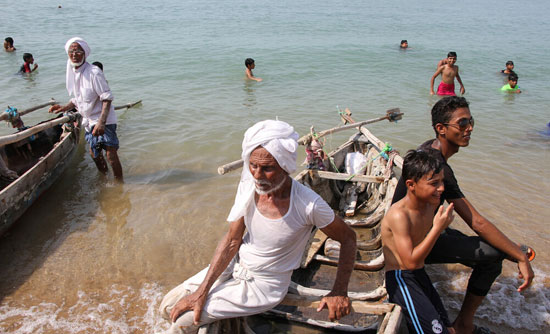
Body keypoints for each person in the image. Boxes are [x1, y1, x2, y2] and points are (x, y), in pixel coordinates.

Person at [158, 120, 357, 334]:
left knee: (180, 325)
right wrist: (202, 290)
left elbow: (348, 238)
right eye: (253, 165)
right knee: (167, 307)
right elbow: (232, 240)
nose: (257, 175)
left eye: (268, 168)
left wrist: (339, 291)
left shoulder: (309, 205)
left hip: (264, 285)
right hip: (236, 265)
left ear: (285, 167)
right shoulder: (248, 187)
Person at [391, 96, 535, 334]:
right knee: (493, 254)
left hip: (425, 230)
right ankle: (464, 324)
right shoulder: (438, 167)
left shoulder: (429, 149)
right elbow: (476, 221)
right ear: (441, 129)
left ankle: (510, 248)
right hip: (412, 242)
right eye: (462, 123)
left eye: (471, 121)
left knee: (497, 245)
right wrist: (518, 256)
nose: (470, 128)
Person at [383, 150, 456, 334]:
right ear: (411, 185)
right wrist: (437, 228)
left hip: (419, 274)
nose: (441, 188)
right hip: (401, 279)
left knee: (447, 328)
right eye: (434, 183)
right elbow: (410, 262)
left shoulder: (430, 205)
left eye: (441, 182)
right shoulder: (400, 215)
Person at [48, 37, 123, 181]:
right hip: (88, 121)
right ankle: (105, 179)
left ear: (85, 53)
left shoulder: (94, 72)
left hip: (103, 118)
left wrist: (101, 122)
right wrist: (64, 107)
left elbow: (106, 98)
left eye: (78, 51)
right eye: (71, 51)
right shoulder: (74, 73)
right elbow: (79, 99)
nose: (74, 54)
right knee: (94, 153)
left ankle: (120, 184)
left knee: (110, 153)